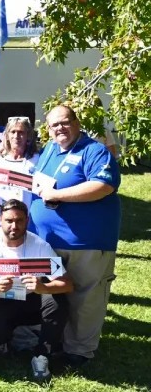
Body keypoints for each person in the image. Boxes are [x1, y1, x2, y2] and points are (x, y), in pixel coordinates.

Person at [29, 105, 121, 367]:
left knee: (86, 297)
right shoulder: (50, 150)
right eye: (54, 125)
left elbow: (103, 186)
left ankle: (78, 351)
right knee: (54, 294)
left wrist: (57, 195)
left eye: (65, 122)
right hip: (48, 242)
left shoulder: (94, 151)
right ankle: (56, 342)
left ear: (77, 122)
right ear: (48, 129)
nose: (60, 128)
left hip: (86, 241)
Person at [0, 199, 72, 380]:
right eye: (9, 221)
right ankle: (1, 344)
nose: (14, 226)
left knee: (57, 301)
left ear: (27, 221)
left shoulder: (40, 245)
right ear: (0, 220)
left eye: (19, 221)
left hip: (30, 298)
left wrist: (42, 287)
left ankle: (42, 354)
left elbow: (67, 284)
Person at [0, 116, 40, 207]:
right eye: (13, 132)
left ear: (28, 136)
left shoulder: (37, 159)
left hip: (25, 211)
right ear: (7, 135)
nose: (16, 136)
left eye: (21, 132)